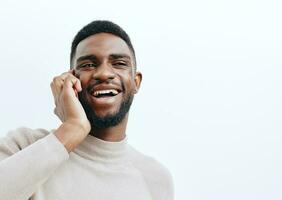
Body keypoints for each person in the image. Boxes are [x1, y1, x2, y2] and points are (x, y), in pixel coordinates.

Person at [0, 20, 174, 200]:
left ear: (136, 82)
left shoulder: (156, 179)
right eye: (89, 65)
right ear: (71, 80)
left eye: (119, 63)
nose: (104, 73)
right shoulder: (24, 146)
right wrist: (73, 128)